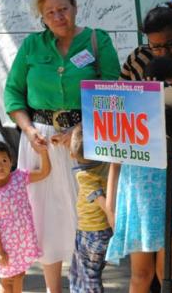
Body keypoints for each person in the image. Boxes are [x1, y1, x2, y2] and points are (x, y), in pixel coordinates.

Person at [4, 0, 121, 292]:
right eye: (50, 13)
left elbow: (112, 89)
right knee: (44, 218)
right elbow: (13, 93)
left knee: (86, 218)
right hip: (39, 141)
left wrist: (80, 131)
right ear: (43, 18)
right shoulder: (32, 46)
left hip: (84, 141)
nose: (58, 16)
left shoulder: (97, 40)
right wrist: (28, 131)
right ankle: (52, 288)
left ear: (75, 7)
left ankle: (83, 285)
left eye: (62, 9)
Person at [106, 57, 172, 293]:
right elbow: (116, 159)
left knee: (169, 274)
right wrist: (112, 205)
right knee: (141, 275)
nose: (171, 94)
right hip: (137, 203)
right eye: (165, 88)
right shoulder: (131, 112)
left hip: (171, 198)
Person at [0, 140, 50, 293]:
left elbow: (44, 172)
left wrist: (43, 152)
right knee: (7, 279)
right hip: (5, 246)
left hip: (21, 241)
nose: (0, 166)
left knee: (19, 275)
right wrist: (0, 251)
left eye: (3, 160)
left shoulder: (20, 177)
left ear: (11, 159)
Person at [120, 2, 172, 100]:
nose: (164, 53)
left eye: (171, 44)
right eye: (156, 46)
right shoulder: (138, 58)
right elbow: (121, 96)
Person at [68, 125, 113, 293]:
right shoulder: (105, 165)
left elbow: (100, 199)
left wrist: (111, 215)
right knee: (79, 271)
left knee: (89, 275)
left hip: (91, 231)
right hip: (98, 230)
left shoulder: (84, 176)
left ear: (72, 155)